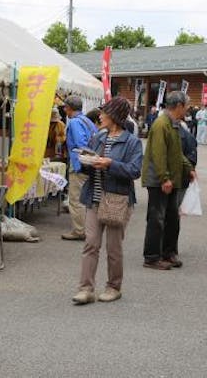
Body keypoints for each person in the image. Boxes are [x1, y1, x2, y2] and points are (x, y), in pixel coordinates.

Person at [72, 97, 143, 305]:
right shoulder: (98, 137)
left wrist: (110, 164)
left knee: (114, 247)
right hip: (93, 198)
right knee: (90, 244)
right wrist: (86, 161)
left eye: (103, 113)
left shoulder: (132, 141)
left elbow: (134, 170)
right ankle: (85, 289)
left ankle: (113, 287)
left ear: (115, 116)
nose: (100, 116)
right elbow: (89, 164)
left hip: (117, 199)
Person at [142, 91, 195, 270]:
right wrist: (164, 178)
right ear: (179, 106)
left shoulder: (174, 124)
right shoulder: (161, 124)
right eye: (186, 106)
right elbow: (158, 154)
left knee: (172, 218)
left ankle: (168, 253)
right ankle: (151, 257)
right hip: (159, 180)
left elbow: (176, 152)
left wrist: (188, 168)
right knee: (157, 218)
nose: (187, 110)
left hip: (172, 179)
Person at [62, 95, 99, 241]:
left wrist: (81, 161)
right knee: (87, 199)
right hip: (90, 164)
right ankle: (87, 228)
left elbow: (80, 143)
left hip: (80, 165)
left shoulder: (75, 122)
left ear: (69, 108)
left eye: (65, 107)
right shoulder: (88, 121)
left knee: (76, 199)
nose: (64, 109)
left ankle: (79, 230)